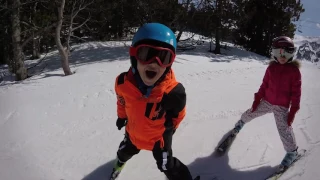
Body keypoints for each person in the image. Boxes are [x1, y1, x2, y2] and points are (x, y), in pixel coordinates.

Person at [110, 22, 193, 180]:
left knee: (166, 164)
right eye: (146, 54)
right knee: (123, 152)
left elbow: (178, 115)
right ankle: (118, 165)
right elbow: (121, 101)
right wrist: (121, 116)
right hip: (133, 135)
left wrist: (171, 128)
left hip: (158, 140)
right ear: (134, 56)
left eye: (164, 58)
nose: (155, 63)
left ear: (170, 63)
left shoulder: (172, 93)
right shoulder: (122, 83)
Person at [231, 36, 302, 168]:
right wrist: (258, 99)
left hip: (281, 106)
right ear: (274, 53)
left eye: (286, 52)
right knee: (251, 112)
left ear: (291, 53)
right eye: (278, 52)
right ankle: (240, 123)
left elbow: (296, 93)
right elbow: (264, 85)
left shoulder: (294, 72)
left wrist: (293, 110)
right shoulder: (271, 69)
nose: (282, 56)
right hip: (267, 101)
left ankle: (292, 152)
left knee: (284, 128)